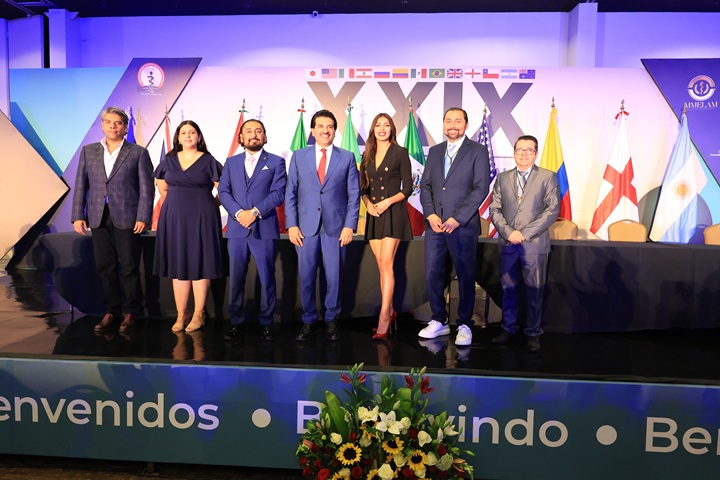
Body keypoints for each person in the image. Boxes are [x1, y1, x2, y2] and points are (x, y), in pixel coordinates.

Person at [71, 107, 154, 332]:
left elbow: (147, 188)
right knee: (105, 267)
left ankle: (131, 312)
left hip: (128, 217)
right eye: (109, 122)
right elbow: (80, 185)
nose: (113, 126)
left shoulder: (138, 152)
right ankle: (111, 311)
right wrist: (78, 215)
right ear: (102, 125)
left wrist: (143, 216)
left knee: (129, 267)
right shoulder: (89, 151)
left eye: (118, 123)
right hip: (98, 216)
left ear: (125, 127)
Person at [285, 109, 360, 342]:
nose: (325, 130)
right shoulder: (299, 156)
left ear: (335, 131)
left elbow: (354, 194)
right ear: (312, 130)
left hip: (336, 228)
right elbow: (290, 193)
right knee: (306, 276)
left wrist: (349, 226)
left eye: (330, 126)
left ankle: (331, 320)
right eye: (320, 126)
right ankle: (308, 319)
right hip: (304, 228)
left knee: (334, 277)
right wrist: (292, 225)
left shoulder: (347, 157)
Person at [418, 107, 490, 347]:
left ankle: (464, 324)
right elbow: (425, 185)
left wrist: (457, 218)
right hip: (435, 226)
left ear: (466, 125)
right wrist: (430, 214)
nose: (452, 125)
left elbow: (481, 188)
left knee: (466, 275)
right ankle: (438, 320)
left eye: (458, 121)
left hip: (462, 226)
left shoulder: (477, 151)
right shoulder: (435, 151)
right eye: (448, 121)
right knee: (433, 273)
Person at [489, 135, 559, 352]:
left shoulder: (548, 177)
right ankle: (508, 328)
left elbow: (552, 210)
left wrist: (524, 233)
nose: (524, 154)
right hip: (508, 243)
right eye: (520, 150)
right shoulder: (503, 178)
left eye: (529, 150)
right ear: (514, 153)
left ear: (536, 154)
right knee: (508, 289)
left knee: (534, 290)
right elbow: (494, 208)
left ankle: (533, 332)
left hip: (534, 244)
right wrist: (509, 232)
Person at [218, 119, 286, 342]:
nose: (254, 134)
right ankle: (236, 322)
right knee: (236, 278)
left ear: (265, 137)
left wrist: (254, 213)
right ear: (241, 137)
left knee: (267, 277)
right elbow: (224, 192)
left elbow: (278, 193)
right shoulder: (231, 162)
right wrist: (239, 214)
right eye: (249, 131)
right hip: (237, 229)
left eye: (258, 131)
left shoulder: (276, 162)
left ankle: (266, 322)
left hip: (264, 228)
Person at [153, 120, 223, 333]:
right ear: (178, 137)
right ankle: (181, 313)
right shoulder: (168, 160)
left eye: (192, 132)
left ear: (199, 137)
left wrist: (208, 205)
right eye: (183, 132)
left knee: (201, 263)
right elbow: (162, 188)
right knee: (179, 264)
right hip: (174, 217)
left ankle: (199, 313)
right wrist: (177, 203)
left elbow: (223, 190)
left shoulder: (209, 160)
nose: (188, 135)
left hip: (203, 216)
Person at [360, 113, 413, 339]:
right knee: (381, 265)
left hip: (393, 212)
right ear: (373, 129)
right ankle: (390, 311)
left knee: (387, 263)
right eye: (378, 125)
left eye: (387, 125)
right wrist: (368, 204)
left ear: (392, 129)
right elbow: (363, 188)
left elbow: (408, 188)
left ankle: (383, 316)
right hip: (374, 214)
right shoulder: (367, 154)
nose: (382, 128)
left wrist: (387, 202)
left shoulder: (400, 152)